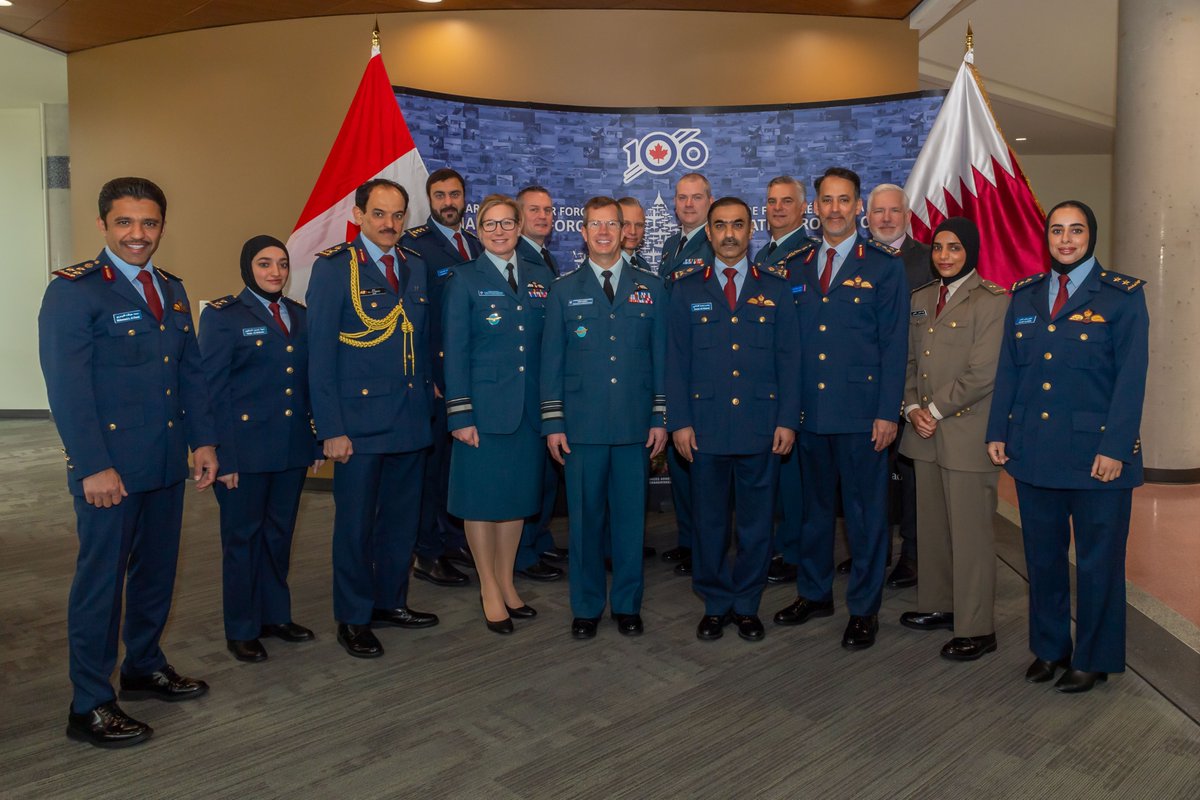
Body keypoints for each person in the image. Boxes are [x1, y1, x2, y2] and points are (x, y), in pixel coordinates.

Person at [39, 177, 218, 748]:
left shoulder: (171, 287)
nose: (138, 235)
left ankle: (143, 665)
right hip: (109, 469)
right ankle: (89, 703)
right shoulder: (76, 291)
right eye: (125, 223)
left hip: (165, 460)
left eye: (149, 223)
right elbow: (67, 388)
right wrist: (92, 464)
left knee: (156, 573)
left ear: (161, 225)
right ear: (104, 225)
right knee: (101, 583)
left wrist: (205, 442)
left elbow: (190, 372)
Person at [986, 200, 1149, 693]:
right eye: (1057, 230)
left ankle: (1095, 656)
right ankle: (1050, 648)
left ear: (1090, 236)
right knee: (1043, 559)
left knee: (1098, 562)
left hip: (1098, 456)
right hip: (1034, 452)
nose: (1065, 239)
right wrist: (998, 431)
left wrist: (1116, 448)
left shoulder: (1122, 298)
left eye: (1076, 230)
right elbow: (1009, 370)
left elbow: (1130, 381)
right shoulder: (1026, 296)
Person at [773, 167, 907, 651]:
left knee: (865, 516)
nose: (834, 209)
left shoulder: (884, 266)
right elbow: (789, 350)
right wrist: (788, 415)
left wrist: (888, 412)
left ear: (858, 208)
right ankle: (814, 593)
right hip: (809, 415)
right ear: (816, 206)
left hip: (861, 414)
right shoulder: (797, 266)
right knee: (813, 512)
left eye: (843, 200)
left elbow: (894, 346)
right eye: (826, 200)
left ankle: (864, 607)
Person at [307, 178, 439, 659]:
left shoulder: (415, 267)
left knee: (401, 523)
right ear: (359, 215)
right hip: (358, 425)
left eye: (398, 215)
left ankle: (391, 602)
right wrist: (331, 429)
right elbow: (319, 356)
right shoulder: (336, 269)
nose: (389, 224)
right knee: (356, 526)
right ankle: (354, 617)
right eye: (380, 214)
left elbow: (420, 343)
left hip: (409, 417)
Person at [666, 197, 801, 642]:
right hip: (703, 427)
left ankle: (746, 603)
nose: (728, 234)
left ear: (750, 231)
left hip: (761, 425)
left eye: (738, 225)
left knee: (756, 523)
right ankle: (715, 601)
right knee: (708, 523)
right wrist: (680, 422)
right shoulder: (686, 288)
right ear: (708, 232)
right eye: (720, 225)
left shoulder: (776, 287)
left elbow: (789, 359)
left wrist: (787, 420)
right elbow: (677, 361)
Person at [541, 196, 668, 639]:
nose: (603, 232)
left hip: (635, 427)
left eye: (611, 225)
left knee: (631, 522)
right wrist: (554, 423)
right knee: (584, 523)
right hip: (582, 429)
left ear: (624, 231)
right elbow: (551, 364)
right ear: (584, 231)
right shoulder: (563, 290)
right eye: (594, 224)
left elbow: (660, 360)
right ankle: (588, 606)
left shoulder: (651, 287)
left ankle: (628, 604)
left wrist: (660, 416)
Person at [199, 235, 323, 663]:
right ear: (247, 268)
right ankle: (241, 627)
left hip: (289, 449)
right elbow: (212, 391)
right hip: (243, 453)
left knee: (278, 535)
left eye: (282, 264)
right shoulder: (223, 317)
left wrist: (315, 439)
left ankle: (275, 615)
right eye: (265, 263)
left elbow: (307, 384)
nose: (275, 272)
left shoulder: (299, 315)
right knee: (242, 540)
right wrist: (223, 456)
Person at [443, 194, 556, 634]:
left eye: (507, 223)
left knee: (514, 503)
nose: (499, 231)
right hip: (483, 413)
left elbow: (548, 349)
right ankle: (488, 587)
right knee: (481, 502)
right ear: (478, 229)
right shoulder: (464, 279)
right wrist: (460, 414)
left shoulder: (541, 277)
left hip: (526, 412)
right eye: (490, 225)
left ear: (519, 226)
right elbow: (455, 353)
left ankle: (508, 583)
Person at [898, 217, 1008, 661]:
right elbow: (909, 363)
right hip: (923, 432)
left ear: (971, 252)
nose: (944, 256)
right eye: (939, 247)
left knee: (971, 535)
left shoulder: (992, 300)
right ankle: (940, 606)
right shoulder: (922, 297)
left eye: (955, 248)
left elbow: (983, 372)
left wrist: (935, 410)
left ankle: (978, 627)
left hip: (965, 432)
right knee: (933, 529)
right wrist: (910, 409)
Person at [402, 167, 482, 588]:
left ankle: (452, 539)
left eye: (455, 194)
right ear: (429, 200)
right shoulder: (414, 248)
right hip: (435, 376)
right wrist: (426, 373)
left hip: (468, 376)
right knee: (430, 471)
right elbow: (412, 317)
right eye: (440, 195)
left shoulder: (474, 243)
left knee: (455, 466)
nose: (448, 202)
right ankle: (426, 553)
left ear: (465, 198)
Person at [853, 182, 931, 589]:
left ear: (907, 215)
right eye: (878, 212)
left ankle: (913, 555)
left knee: (913, 477)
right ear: (867, 215)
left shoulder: (929, 259)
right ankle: (871, 549)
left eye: (894, 212)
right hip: (869, 385)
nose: (885, 219)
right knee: (870, 477)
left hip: (917, 388)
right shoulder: (858, 256)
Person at [752, 175, 817, 586]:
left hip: (797, 383)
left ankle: (795, 552)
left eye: (786, 201)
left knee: (795, 481)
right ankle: (780, 544)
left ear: (804, 207)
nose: (777, 208)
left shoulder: (809, 255)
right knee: (774, 477)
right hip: (762, 383)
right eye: (772, 201)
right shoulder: (762, 254)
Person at [658, 172, 716, 577]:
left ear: (709, 202)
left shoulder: (714, 243)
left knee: (699, 464)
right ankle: (687, 539)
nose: (689, 204)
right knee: (681, 464)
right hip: (672, 358)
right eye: (682, 198)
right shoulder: (669, 244)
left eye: (697, 198)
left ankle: (704, 545)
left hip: (701, 366)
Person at [513, 185, 568, 580]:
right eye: (534, 210)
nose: (543, 217)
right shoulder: (515, 259)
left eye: (548, 211)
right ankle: (524, 552)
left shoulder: (545, 258)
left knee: (545, 474)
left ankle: (539, 541)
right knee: (528, 477)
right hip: (522, 388)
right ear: (518, 217)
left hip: (544, 385)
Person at [618, 196, 654, 272]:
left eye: (639, 225)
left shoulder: (644, 266)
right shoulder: (605, 267)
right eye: (626, 224)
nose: (633, 231)